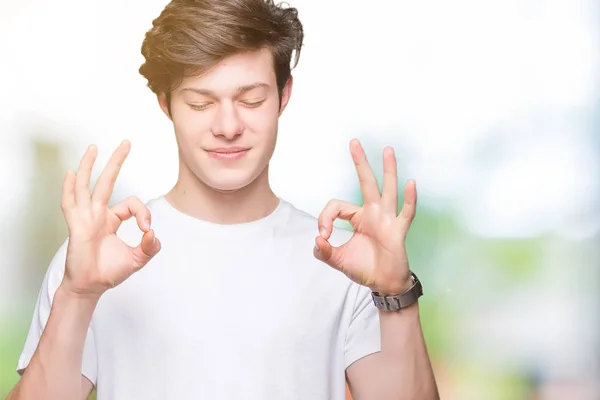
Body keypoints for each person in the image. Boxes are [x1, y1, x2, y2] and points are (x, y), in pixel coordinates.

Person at [8, 0, 439, 399]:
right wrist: (78, 295)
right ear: (166, 104)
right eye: (200, 103)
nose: (228, 126)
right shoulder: (97, 259)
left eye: (251, 99)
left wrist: (394, 292)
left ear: (283, 96)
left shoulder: (346, 261)